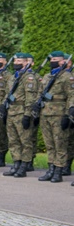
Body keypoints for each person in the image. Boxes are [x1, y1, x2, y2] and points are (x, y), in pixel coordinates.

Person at [33, 51, 74, 183]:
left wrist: (68, 114)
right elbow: (40, 93)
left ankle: (58, 171)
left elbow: (71, 95)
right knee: (49, 144)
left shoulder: (67, 77)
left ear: (63, 62)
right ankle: (50, 169)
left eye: (56, 59)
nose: (53, 61)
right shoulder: (47, 76)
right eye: (52, 59)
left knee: (59, 144)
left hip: (59, 114)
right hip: (45, 114)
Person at [0, 53, 39, 178]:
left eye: (19, 61)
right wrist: (3, 107)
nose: (16, 63)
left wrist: (28, 115)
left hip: (22, 112)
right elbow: (8, 94)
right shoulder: (13, 77)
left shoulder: (29, 78)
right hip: (11, 111)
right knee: (13, 141)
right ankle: (16, 163)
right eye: (15, 60)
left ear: (26, 63)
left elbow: (30, 99)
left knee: (25, 141)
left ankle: (24, 166)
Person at [0, 53, 12, 167]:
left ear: (5, 61)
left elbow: (7, 92)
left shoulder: (8, 75)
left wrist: (3, 106)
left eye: (0, 59)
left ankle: (1, 156)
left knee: (1, 133)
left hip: (1, 107)